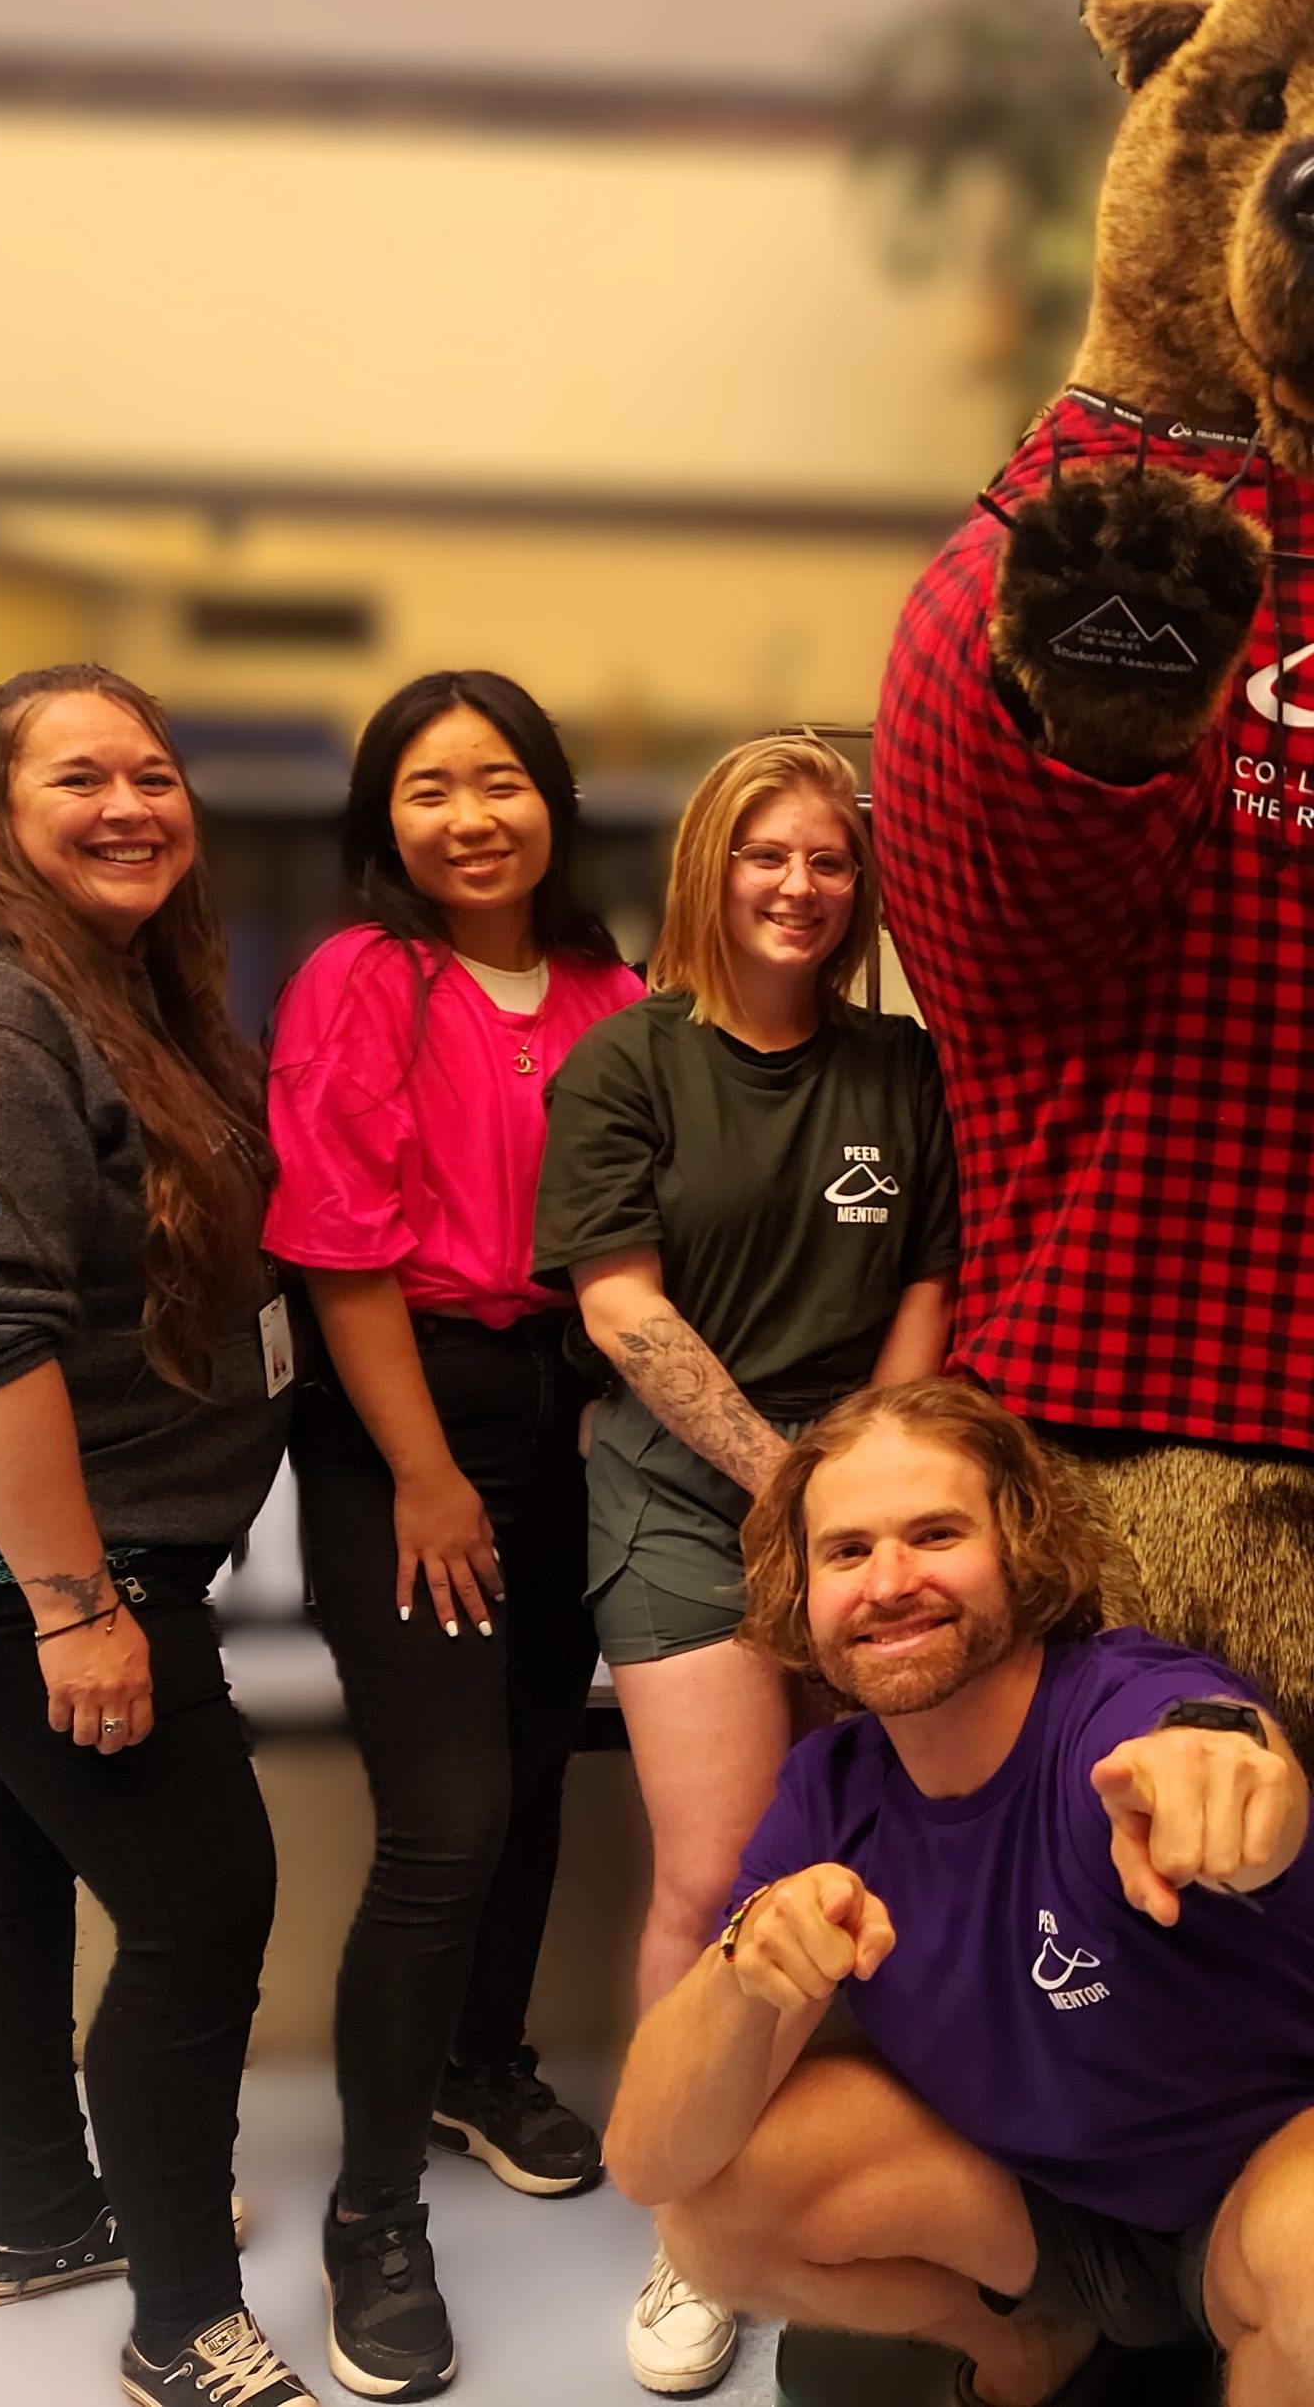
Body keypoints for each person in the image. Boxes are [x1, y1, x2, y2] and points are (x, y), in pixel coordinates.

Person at [601, 1377, 1314, 2407]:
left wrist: (1230, 1779)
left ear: (1019, 1549)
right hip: (1054, 2217)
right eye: (846, 1551)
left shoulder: (1119, 1707)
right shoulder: (829, 1793)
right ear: (803, 1588)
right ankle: (1031, 2348)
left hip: (1279, 2187)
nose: (887, 1582)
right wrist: (748, 1976)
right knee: (709, 2221)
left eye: (934, 1534)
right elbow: (647, 2159)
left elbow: (1211, 1745)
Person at [0, 665, 313, 2407]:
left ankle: (39, 2216)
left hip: (56, 1543)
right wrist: (80, 1608)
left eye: (153, 773)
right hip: (17, 1559)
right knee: (200, 1902)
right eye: (77, 777)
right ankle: (184, 2323)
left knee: (15, 1851)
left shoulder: (100, 980)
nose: (129, 806)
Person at [531, 734, 958, 2392]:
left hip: (867, 1496)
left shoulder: (901, 1073)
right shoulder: (628, 1063)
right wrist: (790, 1492)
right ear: (709, 866)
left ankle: (851, 2175)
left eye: (832, 862)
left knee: (880, 1870)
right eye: (767, 855)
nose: (800, 887)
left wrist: (867, 1493)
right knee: (718, 1878)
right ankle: (694, 2219)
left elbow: (925, 1293)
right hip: (694, 1508)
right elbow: (622, 1305)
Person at [263, 670, 645, 2399]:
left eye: (499, 781)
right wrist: (423, 1473)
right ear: (385, 820)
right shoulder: (362, 980)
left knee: (537, 1776)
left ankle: (479, 2064)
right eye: (429, 789)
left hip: (571, 1412)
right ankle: (371, 2216)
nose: (468, 816)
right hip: (404, 1419)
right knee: (448, 1815)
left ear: (550, 798)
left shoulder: (609, 984)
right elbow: (339, 1248)